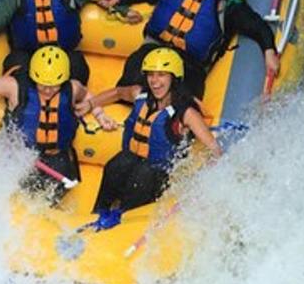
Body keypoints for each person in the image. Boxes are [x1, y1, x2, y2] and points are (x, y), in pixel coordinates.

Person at [97, 0, 280, 97]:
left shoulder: (228, 5)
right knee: (133, 76)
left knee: (179, 96)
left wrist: (269, 51)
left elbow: (258, 26)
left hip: (189, 64)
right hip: (153, 49)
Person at [0, 45, 114, 203]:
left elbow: (86, 94)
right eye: (42, 84)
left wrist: (99, 114)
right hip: (21, 154)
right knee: (16, 193)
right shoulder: (15, 86)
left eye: (53, 86)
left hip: (56, 155)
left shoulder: (72, 87)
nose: (47, 90)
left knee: (52, 195)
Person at [87, 47, 220, 214]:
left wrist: (205, 175)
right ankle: (98, 212)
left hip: (157, 173)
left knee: (142, 176)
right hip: (133, 160)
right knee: (116, 165)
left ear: (174, 77)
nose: (155, 82)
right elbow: (118, 93)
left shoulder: (186, 113)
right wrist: (90, 104)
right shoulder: (139, 94)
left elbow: (215, 149)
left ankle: (125, 217)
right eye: (151, 75)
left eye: (161, 75)